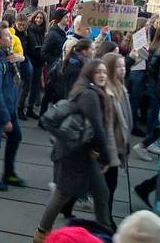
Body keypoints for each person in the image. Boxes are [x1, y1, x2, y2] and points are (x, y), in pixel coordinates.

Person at [33, 60, 113, 243]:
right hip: (74, 154)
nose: (102, 75)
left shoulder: (91, 91)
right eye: (98, 71)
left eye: (104, 72)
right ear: (89, 73)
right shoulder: (89, 95)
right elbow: (97, 127)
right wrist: (106, 157)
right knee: (63, 193)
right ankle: (41, 232)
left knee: (101, 193)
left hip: (84, 152)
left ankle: (104, 232)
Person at [0, 21, 25, 191]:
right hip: (0, 112)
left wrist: (21, 57)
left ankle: (8, 173)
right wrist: (5, 118)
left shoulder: (6, 54)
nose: (11, 37)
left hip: (10, 108)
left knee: (16, 137)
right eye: (7, 35)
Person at [101, 52, 131, 229]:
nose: (123, 70)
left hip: (117, 147)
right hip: (108, 149)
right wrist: (109, 156)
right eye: (119, 66)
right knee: (108, 186)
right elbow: (108, 129)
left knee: (105, 185)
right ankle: (106, 221)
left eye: (124, 66)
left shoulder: (121, 88)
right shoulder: (107, 93)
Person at [26, 10, 47, 119]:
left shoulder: (43, 32)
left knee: (35, 86)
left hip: (39, 61)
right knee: (27, 85)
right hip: (31, 59)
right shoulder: (30, 30)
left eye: (41, 18)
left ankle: (30, 108)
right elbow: (33, 46)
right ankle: (21, 107)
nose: (38, 20)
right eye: (37, 17)